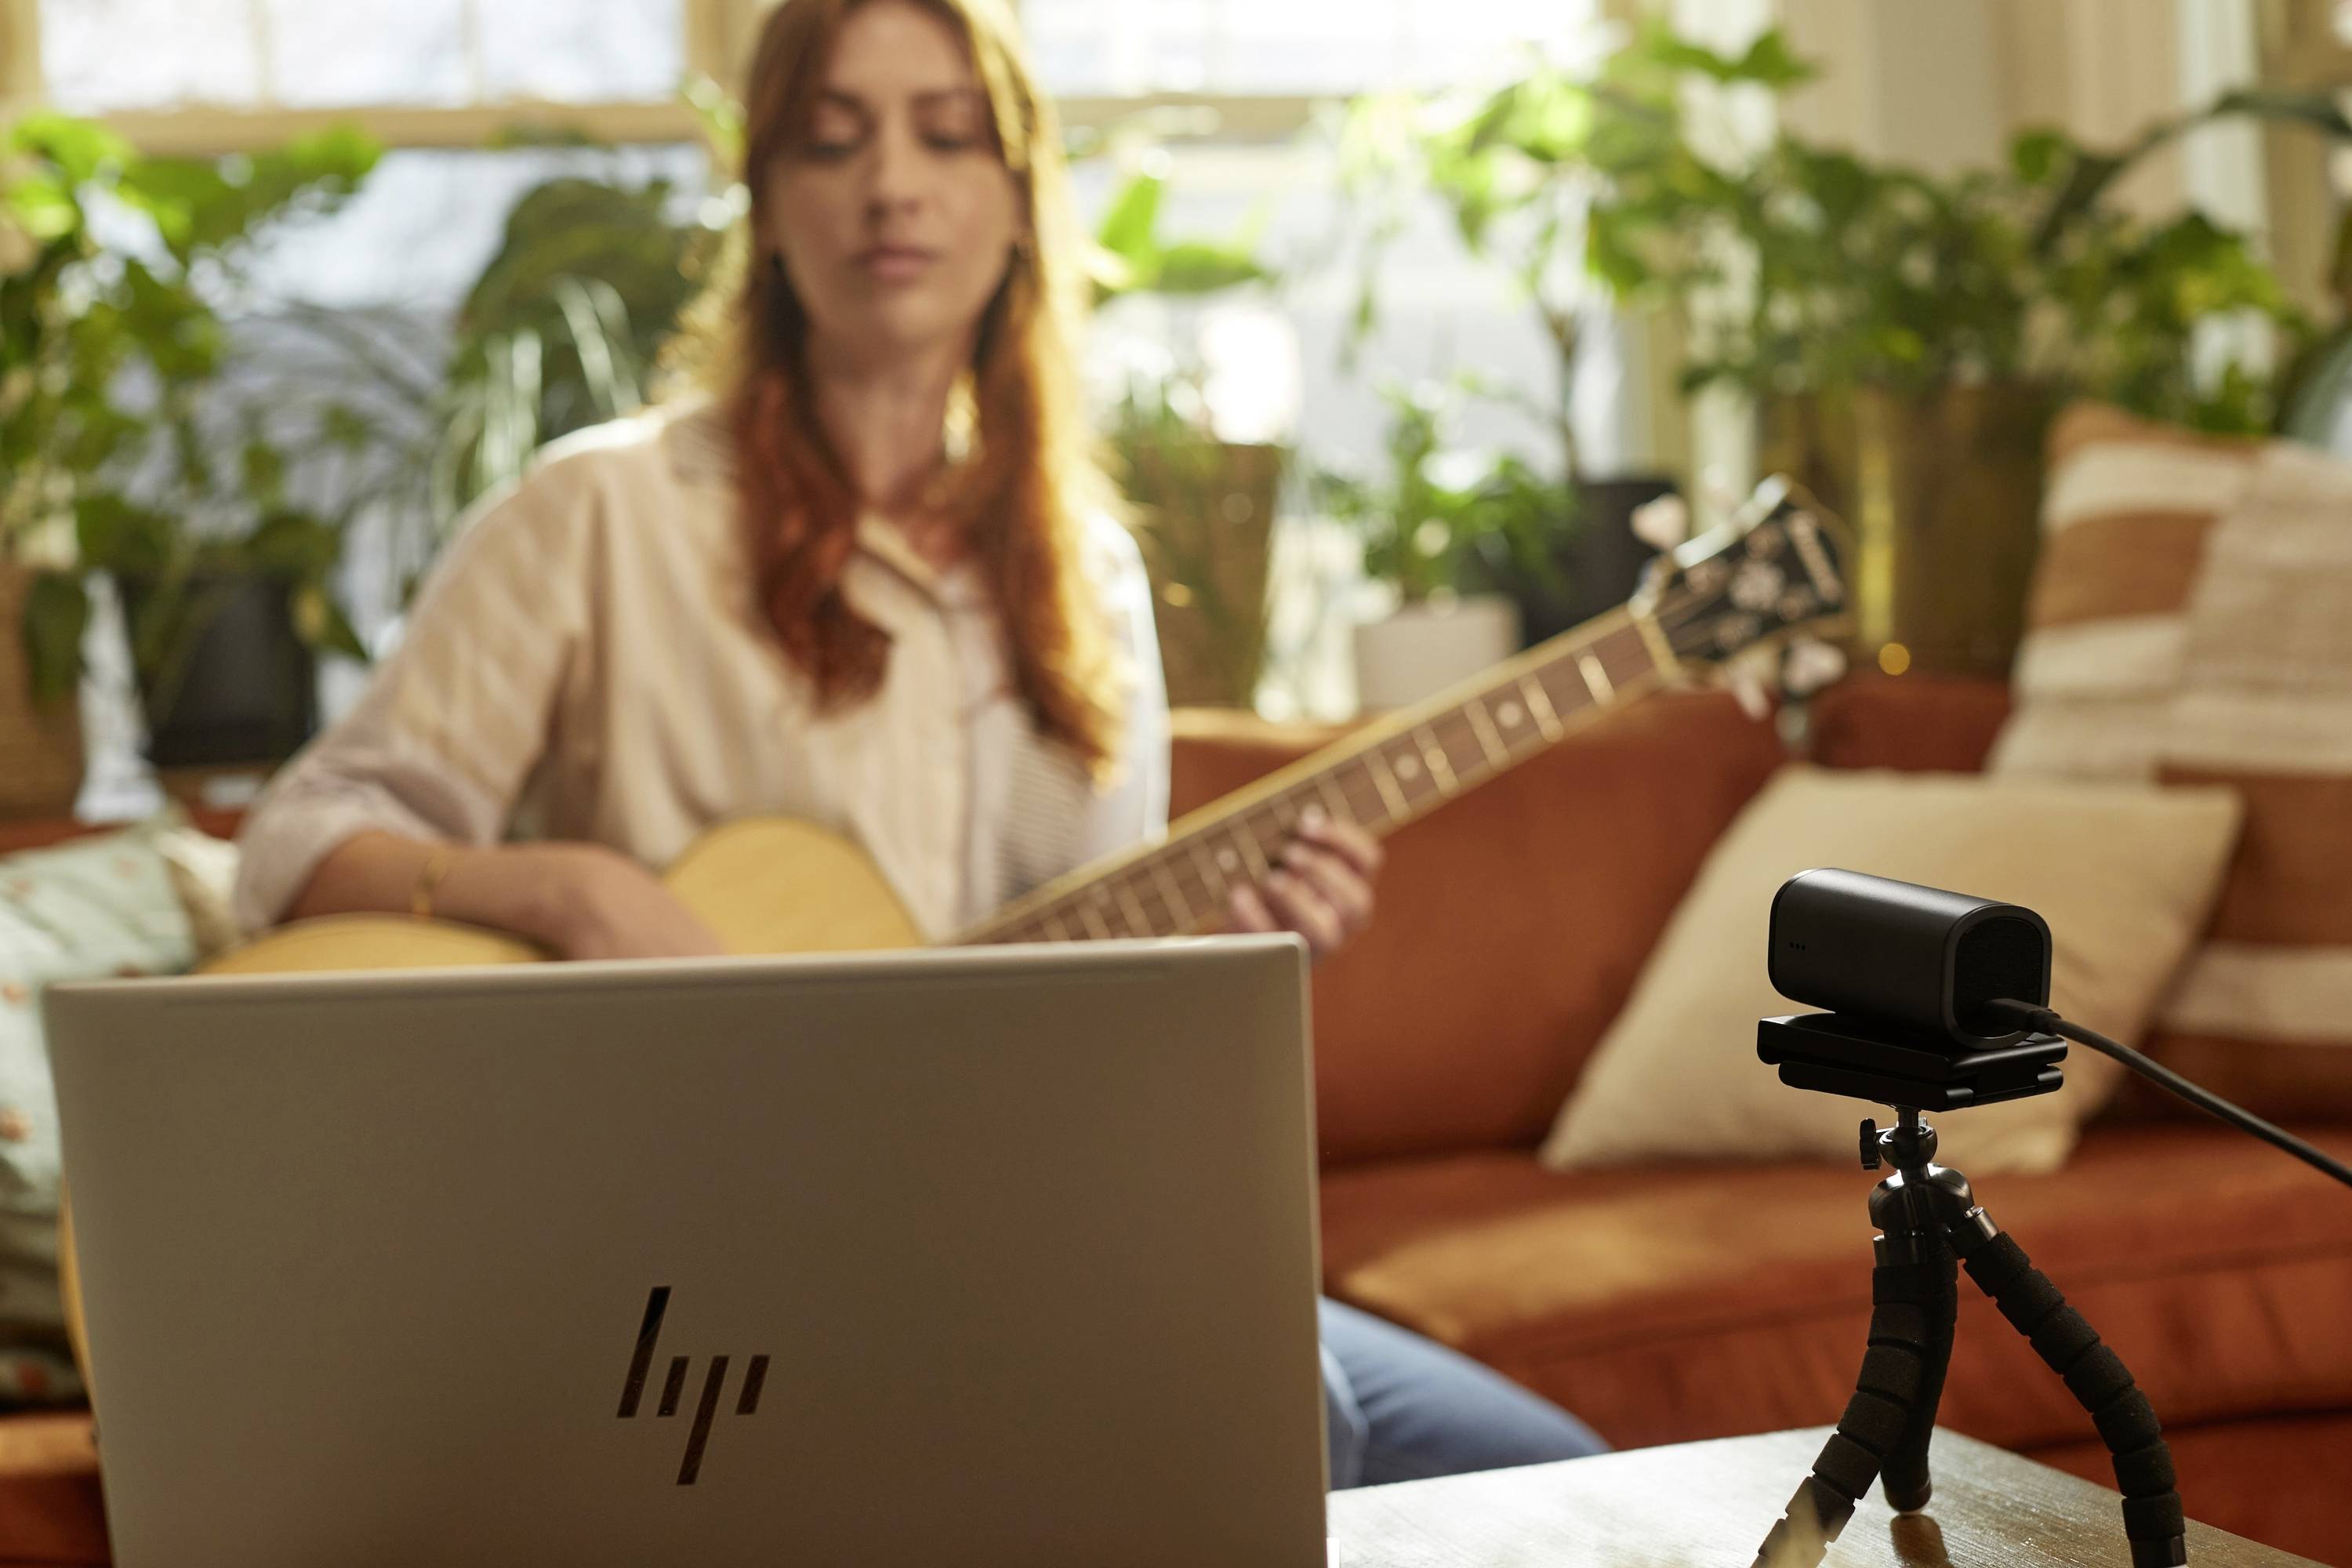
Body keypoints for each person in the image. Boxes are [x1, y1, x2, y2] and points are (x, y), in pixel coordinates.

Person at [232, 0, 1604, 1489]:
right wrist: (571, 894)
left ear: (1017, 199)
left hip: (1007, 1223)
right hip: (707, 1246)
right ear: (767, 205)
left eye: (947, 136)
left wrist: (1238, 949)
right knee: (1291, 1424)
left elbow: (1085, 1012)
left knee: (1562, 1482)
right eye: (835, 139)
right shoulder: (598, 517)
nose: (894, 184)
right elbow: (295, 844)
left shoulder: (1085, 571)